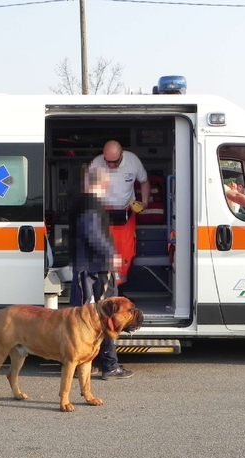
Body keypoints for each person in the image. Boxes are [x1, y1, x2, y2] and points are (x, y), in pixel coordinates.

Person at [68, 167, 134, 380]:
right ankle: (107, 366)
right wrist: (111, 255)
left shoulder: (84, 203)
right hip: (95, 270)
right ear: (102, 184)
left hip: (92, 269)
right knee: (89, 318)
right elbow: (93, 234)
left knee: (92, 318)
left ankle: (97, 363)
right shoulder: (91, 205)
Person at [89, 140, 150, 285]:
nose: (110, 165)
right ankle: (107, 293)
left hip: (126, 213)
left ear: (122, 155)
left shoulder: (132, 161)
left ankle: (119, 291)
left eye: (114, 162)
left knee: (126, 253)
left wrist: (145, 202)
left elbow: (144, 181)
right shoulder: (97, 164)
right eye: (107, 161)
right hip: (103, 214)